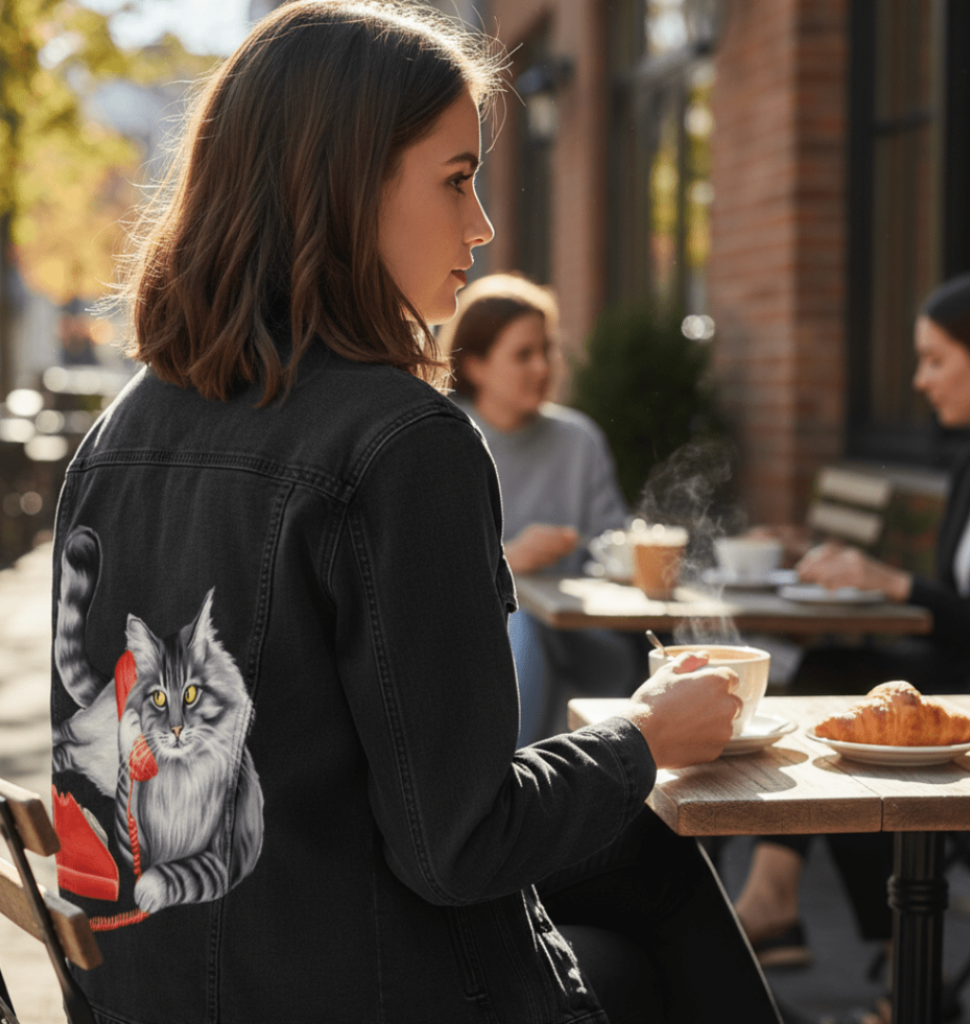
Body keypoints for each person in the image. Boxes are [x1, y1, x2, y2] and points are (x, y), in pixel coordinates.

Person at [47, 4, 782, 1022]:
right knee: (647, 891)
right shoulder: (404, 441)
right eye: (456, 177)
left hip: (157, 986)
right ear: (343, 187)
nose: (482, 225)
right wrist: (645, 734)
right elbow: (460, 844)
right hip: (358, 984)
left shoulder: (115, 435)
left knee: (640, 855)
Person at [732, 271, 970, 1019]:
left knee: (864, 731)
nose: (919, 380)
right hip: (967, 681)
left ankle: (813, 923)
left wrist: (898, 587)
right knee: (835, 694)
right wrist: (824, 561)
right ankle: (856, 939)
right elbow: (956, 606)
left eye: (934, 359)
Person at [437, 273, 647, 744]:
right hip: (471, 646)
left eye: (547, 350)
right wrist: (506, 561)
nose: (543, 366)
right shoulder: (444, 442)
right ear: (475, 366)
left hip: (585, 639)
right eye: (523, 354)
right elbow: (423, 573)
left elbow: (613, 545)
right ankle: (512, 784)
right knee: (523, 622)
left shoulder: (579, 439)